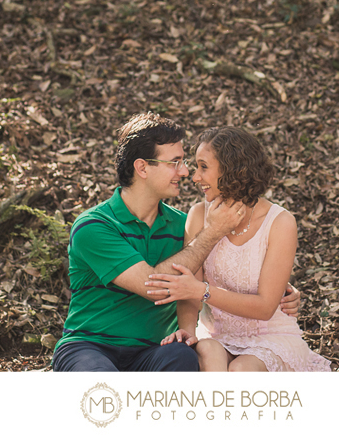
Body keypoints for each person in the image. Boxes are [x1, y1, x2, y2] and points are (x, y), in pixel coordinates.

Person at [52, 113, 300, 372]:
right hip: (92, 346)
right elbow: (153, 287)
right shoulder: (94, 227)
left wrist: (281, 288)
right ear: (142, 168)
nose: (185, 172)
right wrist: (212, 232)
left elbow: (226, 263)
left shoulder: (184, 226)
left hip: (153, 350)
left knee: (183, 359)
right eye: (175, 163)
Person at [147, 126, 331, 372]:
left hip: (271, 337)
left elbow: (265, 307)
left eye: (203, 167)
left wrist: (202, 291)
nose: (194, 177)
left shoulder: (280, 223)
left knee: (241, 370)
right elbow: (189, 292)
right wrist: (187, 332)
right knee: (208, 351)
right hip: (217, 336)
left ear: (231, 169)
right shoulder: (198, 215)